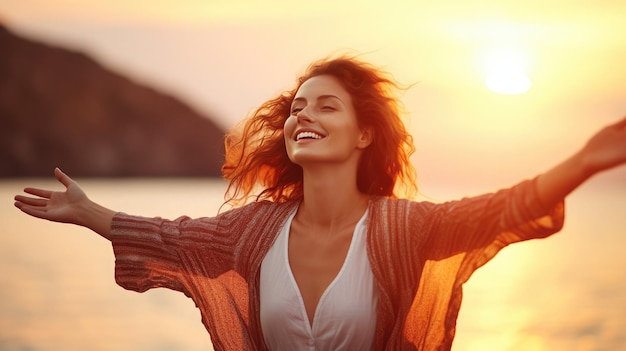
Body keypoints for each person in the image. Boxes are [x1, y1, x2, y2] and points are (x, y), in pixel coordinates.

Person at [14, 56, 626, 351]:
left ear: (364, 134)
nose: (302, 115)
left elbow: (501, 210)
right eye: (297, 107)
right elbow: (171, 237)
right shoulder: (252, 233)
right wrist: (89, 211)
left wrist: (581, 163)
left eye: (325, 105)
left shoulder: (404, 229)